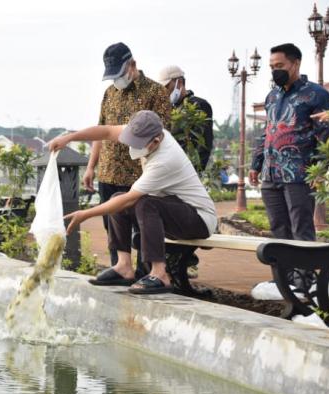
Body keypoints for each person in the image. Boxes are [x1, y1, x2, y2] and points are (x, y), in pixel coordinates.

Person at [48, 111, 217, 293]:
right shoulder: (146, 131)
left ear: (156, 142)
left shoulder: (165, 160)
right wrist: (69, 138)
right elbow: (105, 132)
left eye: (138, 144)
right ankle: (123, 267)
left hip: (198, 219)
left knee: (141, 203)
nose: (133, 147)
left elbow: (129, 199)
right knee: (117, 199)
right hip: (174, 210)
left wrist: (85, 214)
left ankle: (160, 274)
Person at [249, 43, 329, 300]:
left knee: (301, 228)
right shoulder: (273, 96)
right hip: (271, 174)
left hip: (299, 174)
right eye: (272, 67)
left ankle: (306, 284)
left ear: (295, 64)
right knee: (278, 228)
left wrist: (319, 171)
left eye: (280, 66)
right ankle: (284, 280)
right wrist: (256, 162)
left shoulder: (316, 95)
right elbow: (268, 131)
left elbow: (326, 136)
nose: (275, 71)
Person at [85, 43, 171, 272]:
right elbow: (101, 131)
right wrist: (91, 166)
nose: (117, 80)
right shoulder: (110, 93)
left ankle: (147, 274)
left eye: (120, 74)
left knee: (145, 227)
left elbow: (163, 135)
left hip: (139, 174)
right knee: (113, 227)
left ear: (132, 65)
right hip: (109, 172)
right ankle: (120, 270)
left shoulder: (155, 92)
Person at [157, 65, 214, 279]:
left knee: (186, 216)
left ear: (179, 82)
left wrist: (195, 172)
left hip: (187, 175)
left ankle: (189, 262)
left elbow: (203, 144)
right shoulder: (166, 110)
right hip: (167, 174)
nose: (164, 92)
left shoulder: (198, 106)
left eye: (167, 87)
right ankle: (172, 265)